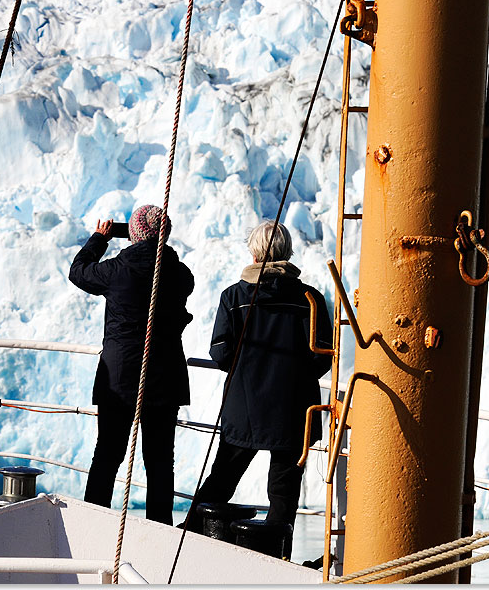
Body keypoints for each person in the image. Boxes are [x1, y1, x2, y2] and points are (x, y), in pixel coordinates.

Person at [188, 220, 332, 550]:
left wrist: (248, 372)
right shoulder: (310, 298)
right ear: (288, 252)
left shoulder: (235, 296)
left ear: (254, 251)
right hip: (295, 410)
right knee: (284, 489)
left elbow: (220, 351)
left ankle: (194, 537)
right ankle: (278, 555)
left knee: (223, 477)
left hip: (245, 406)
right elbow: (323, 355)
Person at [69, 204, 194, 524]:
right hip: (166, 378)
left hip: (121, 379)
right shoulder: (181, 274)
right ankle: (159, 530)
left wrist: (100, 238)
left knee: (107, 455)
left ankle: (93, 523)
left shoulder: (117, 270)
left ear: (134, 234)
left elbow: (79, 270)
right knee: (160, 462)